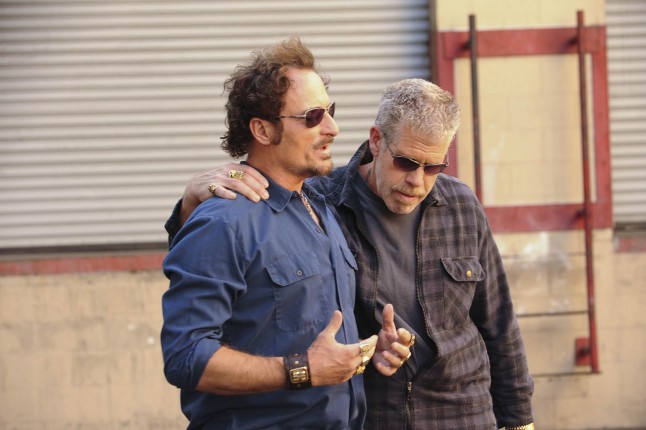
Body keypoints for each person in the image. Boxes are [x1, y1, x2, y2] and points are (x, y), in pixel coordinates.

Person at [168, 78, 535, 429]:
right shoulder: (319, 201)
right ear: (376, 140)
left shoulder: (461, 206)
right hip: (376, 416)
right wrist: (189, 204)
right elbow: (217, 261)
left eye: (433, 167)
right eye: (406, 162)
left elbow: (499, 322)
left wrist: (518, 420)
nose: (417, 181)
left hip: (464, 414)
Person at [160, 38, 413, 430]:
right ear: (262, 129)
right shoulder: (224, 221)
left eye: (330, 111)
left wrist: (366, 352)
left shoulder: (321, 207)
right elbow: (185, 357)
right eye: (313, 116)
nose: (333, 128)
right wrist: (302, 369)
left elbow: (299, 330)